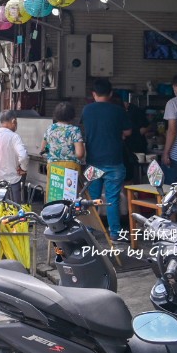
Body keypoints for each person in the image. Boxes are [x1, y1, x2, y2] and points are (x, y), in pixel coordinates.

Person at [80, 79, 131, 240]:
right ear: (110, 94)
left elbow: (85, 129)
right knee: (112, 198)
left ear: (93, 94)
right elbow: (128, 132)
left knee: (92, 198)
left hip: (94, 161)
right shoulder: (118, 111)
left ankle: (91, 229)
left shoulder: (87, 110)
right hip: (114, 160)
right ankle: (115, 233)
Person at [0, 110, 30, 204]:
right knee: (13, 213)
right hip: (11, 182)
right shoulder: (14, 137)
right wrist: (23, 169)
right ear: (13, 121)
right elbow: (23, 156)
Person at [162, 74, 177, 185]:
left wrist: (166, 153)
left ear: (176, 87)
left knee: (171, 189)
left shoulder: (172, 103)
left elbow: (172, 130)